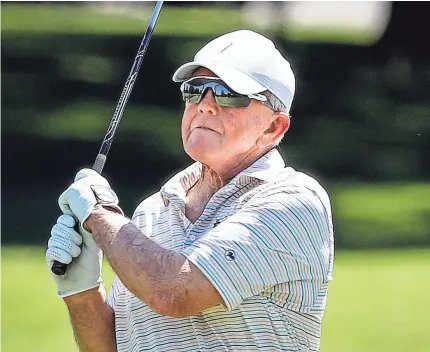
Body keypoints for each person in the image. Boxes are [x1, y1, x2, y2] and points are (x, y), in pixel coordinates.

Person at [46, 30, 334, 352]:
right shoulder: (150, 212)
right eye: (195, 90)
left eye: (230, 94)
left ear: (273, 127)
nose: (205, 106)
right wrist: (81, 292)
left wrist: (99, 216)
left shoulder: (294, 202)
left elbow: (173, 292)